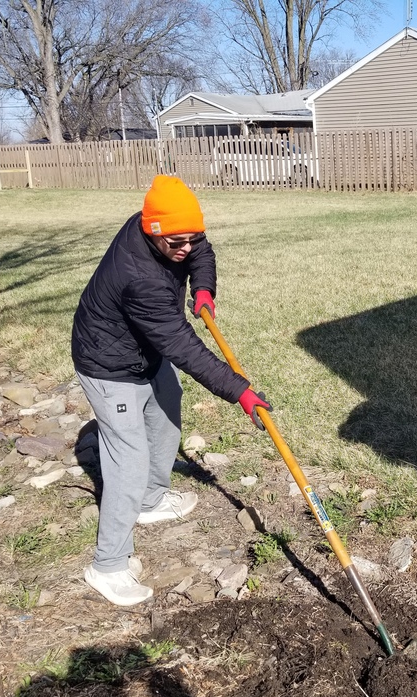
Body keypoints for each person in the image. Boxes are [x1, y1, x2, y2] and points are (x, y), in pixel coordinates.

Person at [71, 175, 271, 606]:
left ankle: (150, 500)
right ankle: (107, 566)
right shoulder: (137, 274)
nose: (186, 248)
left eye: (190, 237)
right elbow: (181, 344)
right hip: (108, 365)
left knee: (165, 411)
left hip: (144, 347)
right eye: (176, 242)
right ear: (153, 231)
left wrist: (202, 287)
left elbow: (202, 252)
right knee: (129, 456)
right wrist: (239, 391)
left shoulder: (168, 228)